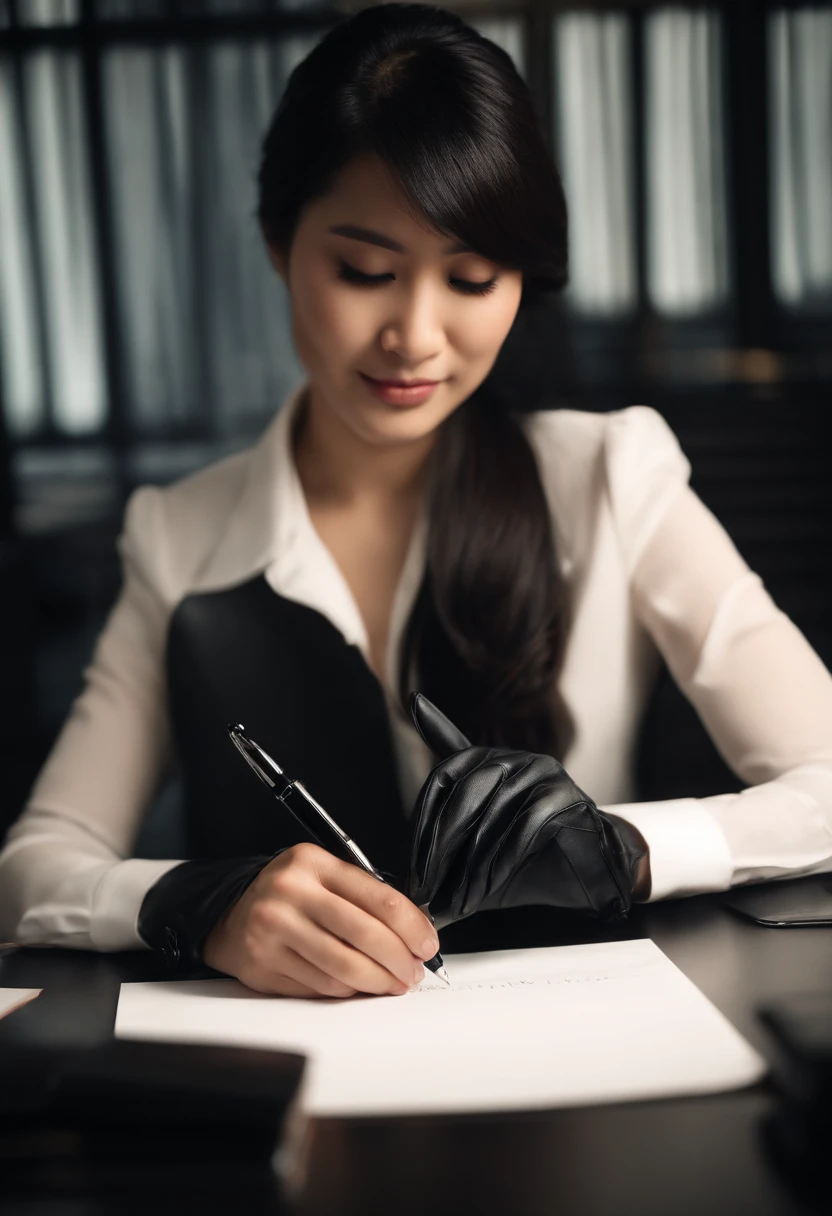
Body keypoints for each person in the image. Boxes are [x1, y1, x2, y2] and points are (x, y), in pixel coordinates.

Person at [2, 4, 832, 1001]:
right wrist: (202, 904)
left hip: (581, 1066)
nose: (416, 335)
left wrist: (622, 847)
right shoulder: (178, 534)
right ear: (277, 241)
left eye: (472, 277)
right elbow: (35, 868)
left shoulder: (614, 475)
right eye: (365, 271)